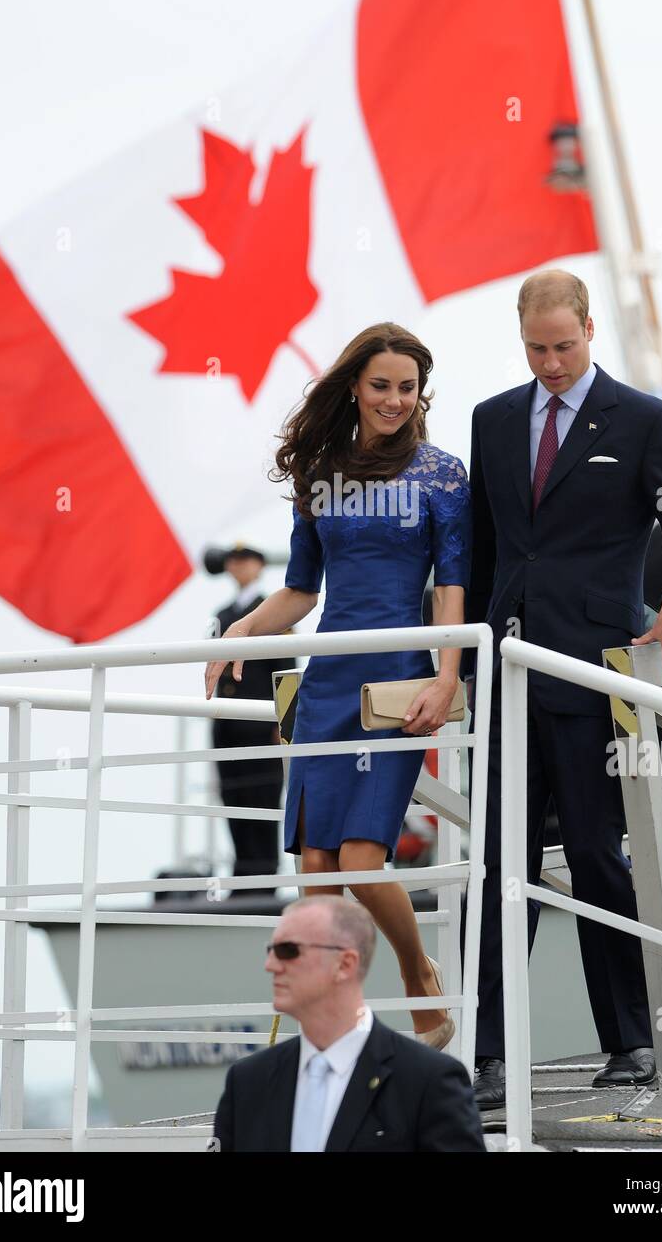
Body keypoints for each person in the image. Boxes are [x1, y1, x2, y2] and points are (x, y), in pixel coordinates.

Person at [464, 269, 662, 1103]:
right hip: (503, 668)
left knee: (593, 854)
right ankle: (488, 1055)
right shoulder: (493, 420)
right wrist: (459, 662)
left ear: (587, 330)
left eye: (563, 345)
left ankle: (629, 1043)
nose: (549, 362)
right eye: (535, 348)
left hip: (590, 670)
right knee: (499, 866)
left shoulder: (643, 420)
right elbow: (480, 551)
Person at [205, 323, 471, 1048]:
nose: (392, 399)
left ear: (421, 393)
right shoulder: (320, 472)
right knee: (314, 864)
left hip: (396, 682)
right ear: (353, 385)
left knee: (360, 857)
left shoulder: (442, 475)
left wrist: (446, 675)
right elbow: (298, 591)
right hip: (327, 683)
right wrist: (238, 633)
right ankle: (320, 1019)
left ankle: (419, 974)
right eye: (379, 385)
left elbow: (451, 585)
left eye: (405, 388)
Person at [211, 895, 485, 1152]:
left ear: (345, 964)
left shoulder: (428, 1081)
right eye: (271, 950)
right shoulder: (247, 1083)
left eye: (287, 950)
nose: (270, 964)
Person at [209, 546, 295, 883]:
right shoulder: (222, 614)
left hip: (261, 726)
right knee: (233, 797)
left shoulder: (272, 613)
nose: (240, 567)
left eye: (247, 560)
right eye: (234, 561)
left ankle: (263, 877)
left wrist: (282, 722)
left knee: (263, 798)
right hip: (228, 724)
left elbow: (286, 667)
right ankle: (243, 875)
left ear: (259, 566)